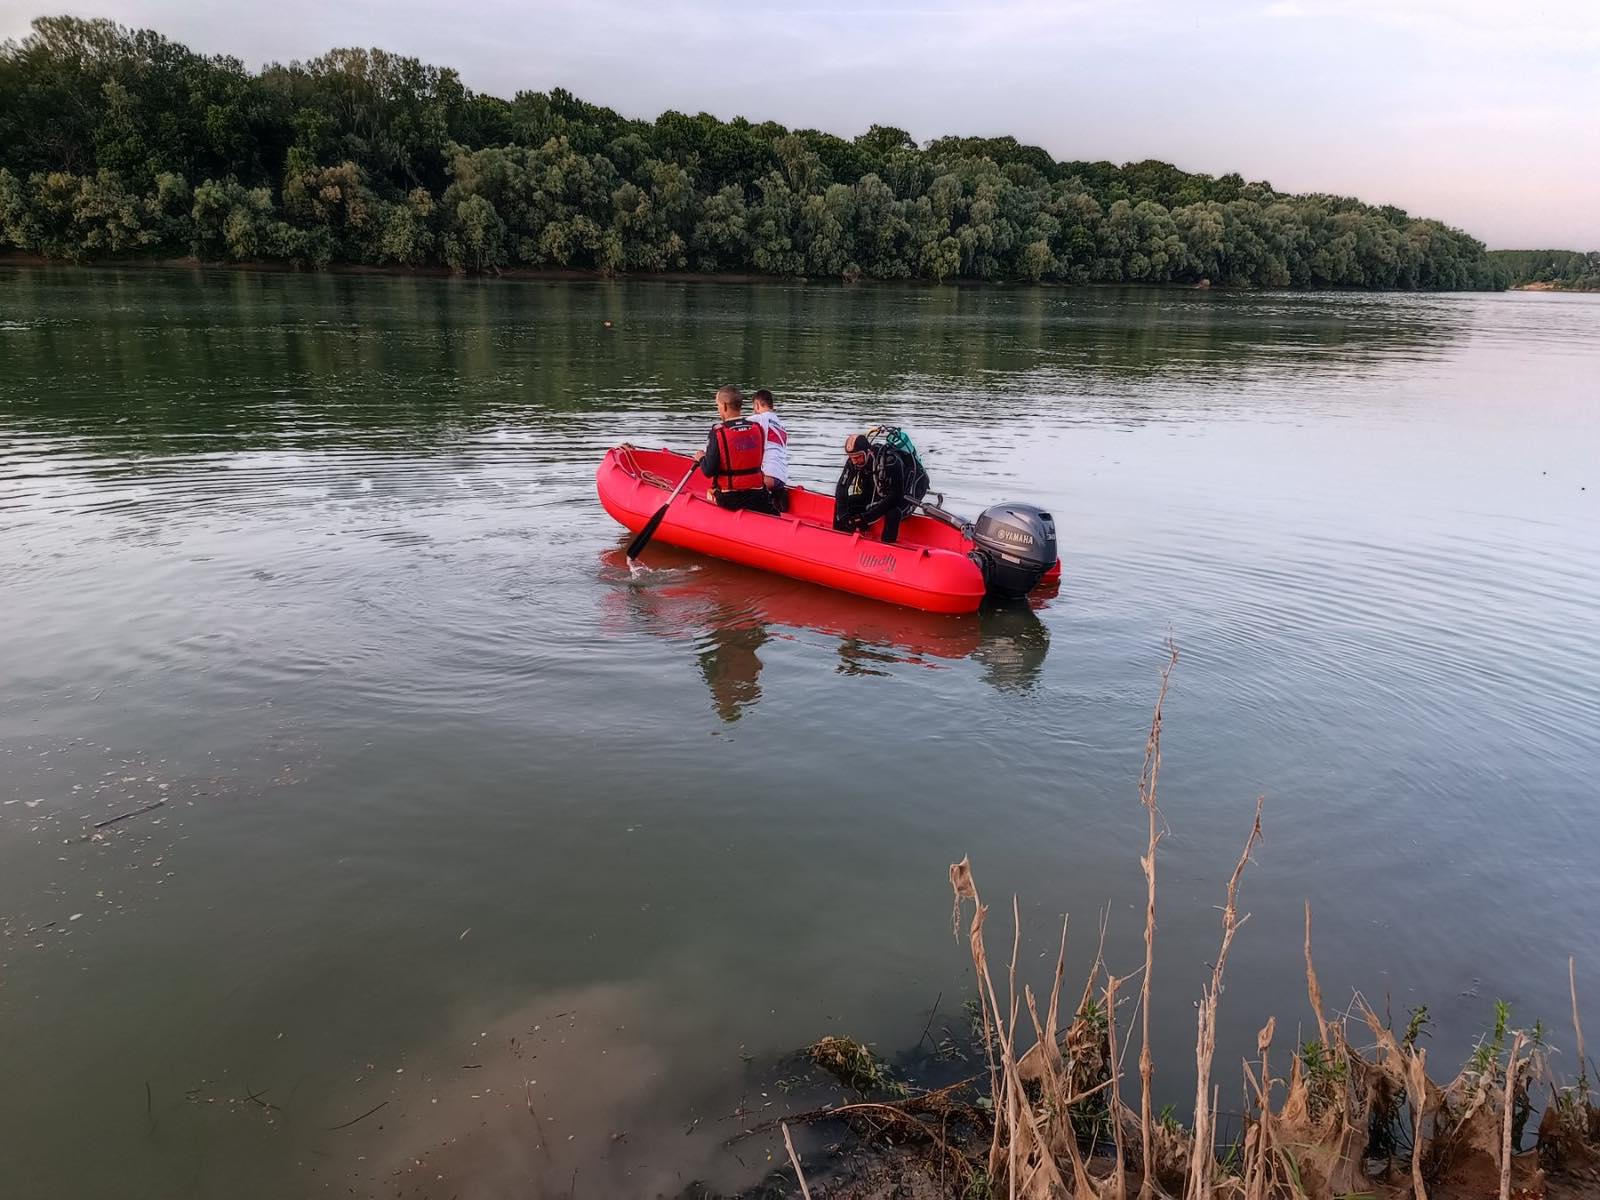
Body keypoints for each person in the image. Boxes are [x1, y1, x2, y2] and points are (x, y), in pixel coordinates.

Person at [694, 385, 777, 513]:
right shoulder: (757, 429)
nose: (718, 409)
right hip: (758, 496)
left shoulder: (718, 433)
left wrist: (701, 458)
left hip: (730, 499)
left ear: (725, 406)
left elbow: (708, 471)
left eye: (718, 405)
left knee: (711, 492)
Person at [833, 432, 911, 544]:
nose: (854, 461)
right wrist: (843, 516)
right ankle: (840, 538)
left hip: (897, 501)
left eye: (858, 457)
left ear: (868, 452)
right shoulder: (854, 461)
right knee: (844, 502)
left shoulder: (891, 461)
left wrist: (866, 518)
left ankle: (887, 547)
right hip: (871, 497)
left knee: (893, 513)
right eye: (851, 457)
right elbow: (842, 487)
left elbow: (896, 495)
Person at [749, 389, 789, 513]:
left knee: (741, 487)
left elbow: (735, 424)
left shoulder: (760, 419)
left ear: (757, 405)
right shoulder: (781, 426)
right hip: (782, 477)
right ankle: (776, 495)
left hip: (769, 476)